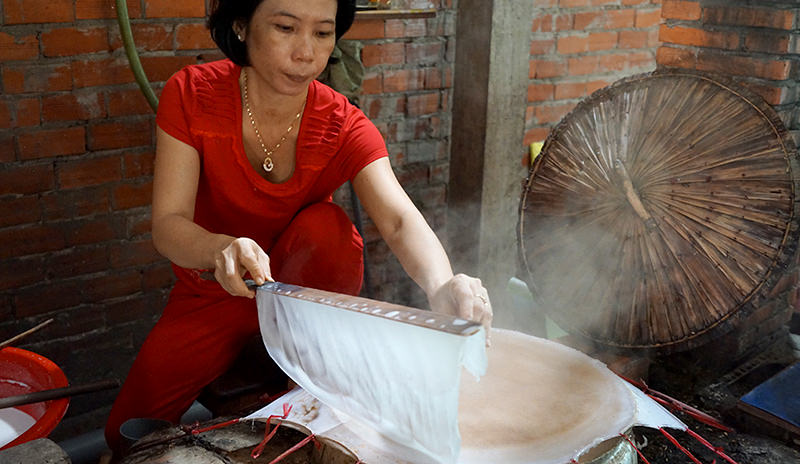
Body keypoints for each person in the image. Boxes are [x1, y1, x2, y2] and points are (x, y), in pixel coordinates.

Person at [104, 0, 492, 453]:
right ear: (241, 26)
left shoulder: (342, 123)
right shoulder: (191, 95)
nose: (306, 53)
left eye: (323, 33)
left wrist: (443, 285)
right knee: (125, 436)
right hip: (217, 289)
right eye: (286, 28)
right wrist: (221, 248)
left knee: (328, 229)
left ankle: (304, 385)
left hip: (307, 303)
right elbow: (168, 225)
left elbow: (399, 220)